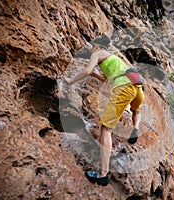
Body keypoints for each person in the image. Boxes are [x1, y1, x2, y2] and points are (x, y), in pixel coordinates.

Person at [64, 34, 144, 186]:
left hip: (124, 87)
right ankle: (136, 127)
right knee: (136, 111)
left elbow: (86, 71)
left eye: (93, 46)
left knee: (106, 129)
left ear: (98, 46)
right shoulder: (113, 59)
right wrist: (96, 74)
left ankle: (103, 174)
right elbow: (108, 80)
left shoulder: (98, 53)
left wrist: (71, 81)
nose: (92, 50)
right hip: (137, 88)